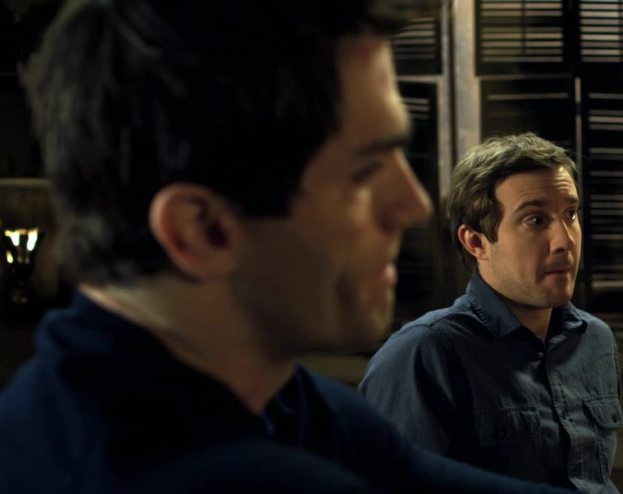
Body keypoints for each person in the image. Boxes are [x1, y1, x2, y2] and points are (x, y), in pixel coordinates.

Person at [0, 2, 572, 493]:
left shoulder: (267, 397)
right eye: (364, 172)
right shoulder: (210, 475)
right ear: (203, 230)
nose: (415, 205)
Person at [360, 133, 623, 493]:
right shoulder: (424, 353)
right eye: (535, 220)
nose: (565, 241)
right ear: (476, 241)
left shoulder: (594, 340)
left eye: (570, 214)